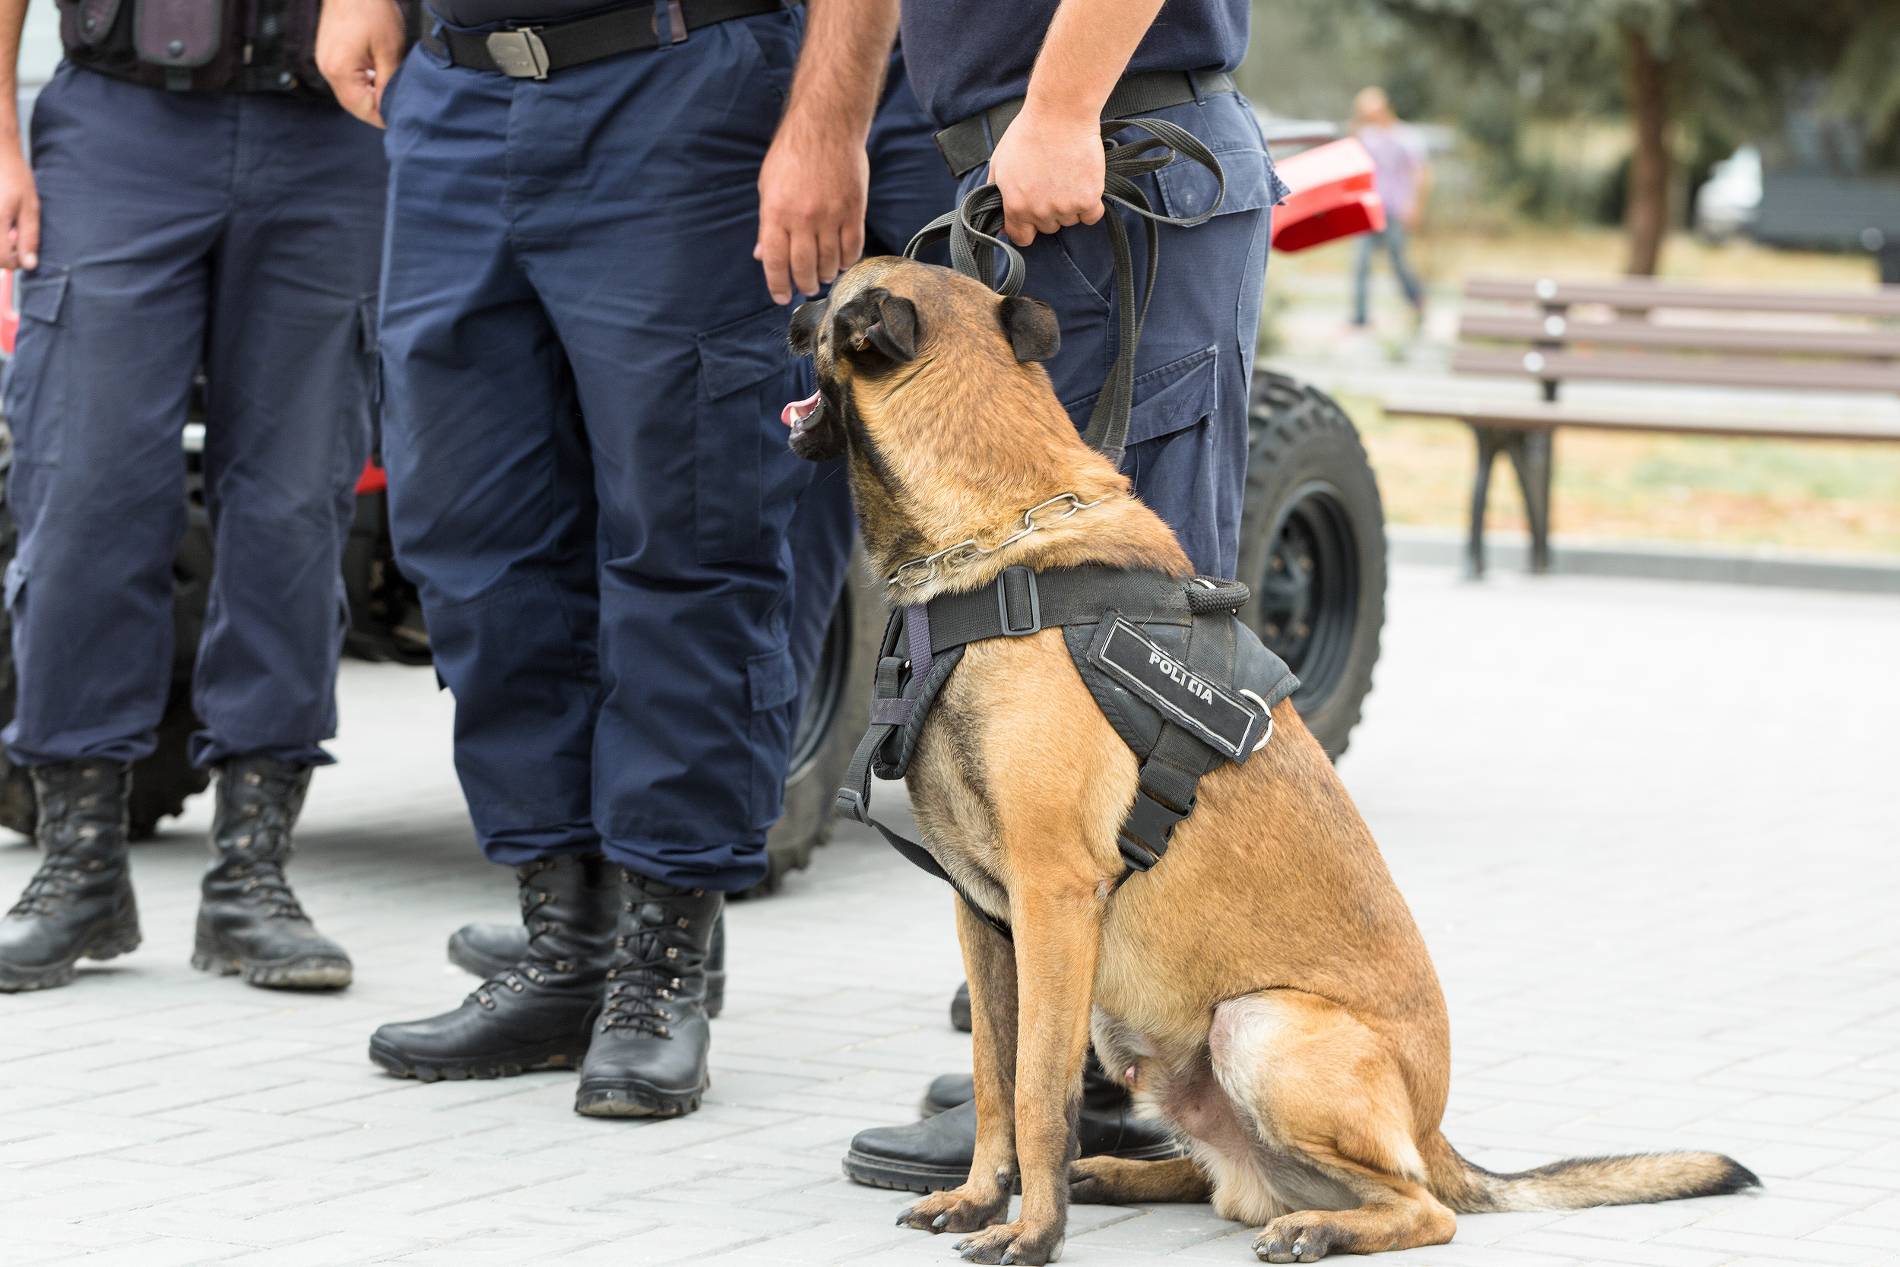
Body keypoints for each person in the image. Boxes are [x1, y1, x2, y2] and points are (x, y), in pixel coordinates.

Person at [314, 0, 898, 1118]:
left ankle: (663, 963)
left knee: (690, 532)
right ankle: (564, 946)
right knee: (474, 534)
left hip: (678, 89)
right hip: (458, 98)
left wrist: (826, 127)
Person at [805, 0, 1289, 1193]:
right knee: (1033, 673)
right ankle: (1067, 1064)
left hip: (1105, 164)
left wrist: (1064, 105)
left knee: (1135, 665)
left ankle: (1099, 1083)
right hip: (1025, 173)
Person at [0, 0, 387, 993]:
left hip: (332, 132)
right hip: (122, 127)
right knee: (82, 492)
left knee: (294, 510)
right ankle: (79, 863)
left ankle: (251, 879)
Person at [1350, 85, 1430, 328]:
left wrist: (1415, 205)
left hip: (1395, 210)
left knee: (1398, 263)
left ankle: (1417, 300)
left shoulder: (1406, 137)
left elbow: (1421, 173)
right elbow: (1350, 151)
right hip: (1369, 209)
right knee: (1361, 262)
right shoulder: (1367, 136)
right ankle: (1360, 318)